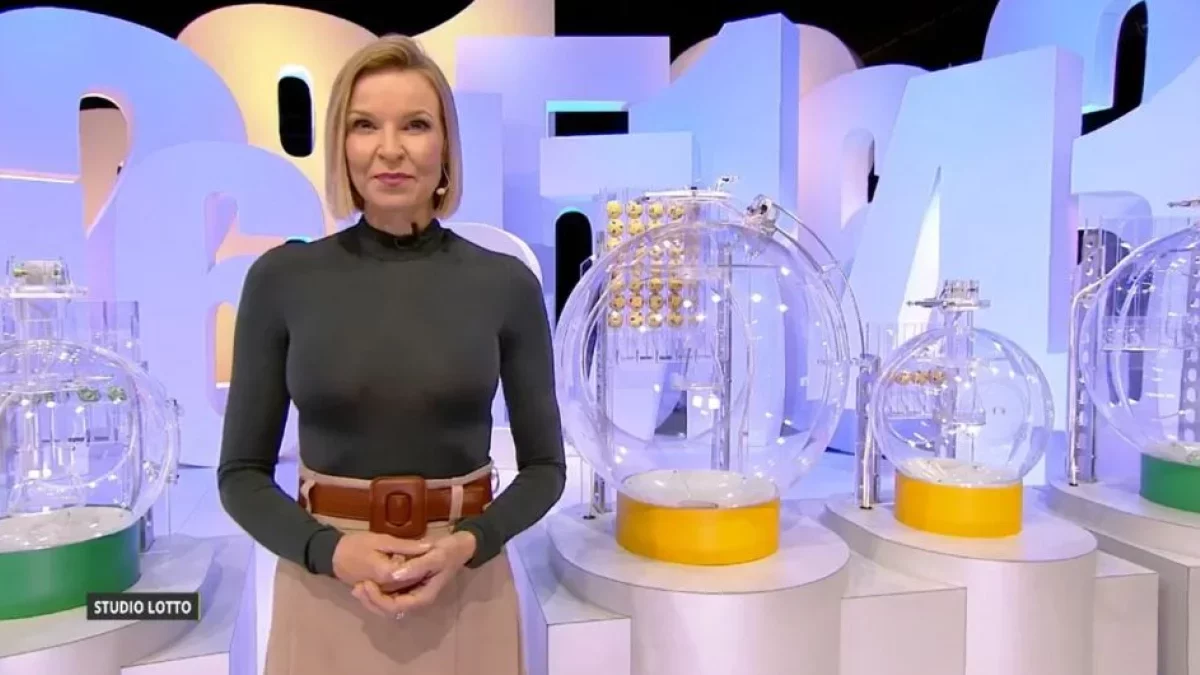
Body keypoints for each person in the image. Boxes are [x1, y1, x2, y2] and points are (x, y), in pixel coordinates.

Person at [217, 34, 566, 675]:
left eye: (415, 125)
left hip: (466, 583)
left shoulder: (505, 284)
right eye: (364, 125)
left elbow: (546, 468)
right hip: (328, 585)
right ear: (341, 145)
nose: (390, 148)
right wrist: (329, 552)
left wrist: (470, 543)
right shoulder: (281, 280)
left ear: (446, 147)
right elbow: (240, 475)